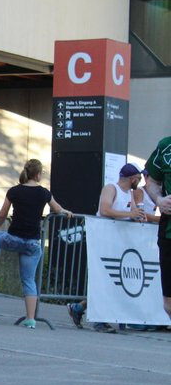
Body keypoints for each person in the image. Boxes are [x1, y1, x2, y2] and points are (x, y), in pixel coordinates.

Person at [0, 159, 72, 328]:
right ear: (38, 175)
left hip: (14, 239)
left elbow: (2, 214)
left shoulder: (14, 191)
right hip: (32, 243)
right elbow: (58, 209)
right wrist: (66, 212)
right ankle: (30, 319)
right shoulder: (44, 193)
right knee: (29, 280)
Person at [69, 163, 158, 331]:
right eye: (138, 179)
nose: (139, 183)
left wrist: (138, 217)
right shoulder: (111, 188)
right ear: (132, 178)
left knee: (114, 282)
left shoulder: (130, 194)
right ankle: (99, 320)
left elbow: (133, 212)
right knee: (105, 279)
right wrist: (130, 215)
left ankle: (78, 308)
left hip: (120, 241)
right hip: (104, 239)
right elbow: (105, 210)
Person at [143, 136, 171, 320]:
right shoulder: (165, 146)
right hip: (168, 229)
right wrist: (159, 200)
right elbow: (152, 182)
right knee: (168, 302)